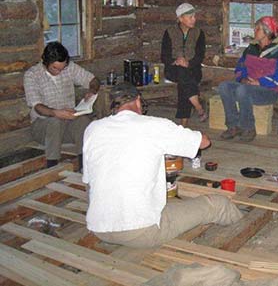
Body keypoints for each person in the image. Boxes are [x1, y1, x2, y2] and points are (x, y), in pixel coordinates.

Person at [82, 83, 243, 248]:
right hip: (140, 231)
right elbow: (203, 142)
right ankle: (245, 231)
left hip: (98, 226)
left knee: (170, 203)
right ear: (138, 101)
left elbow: (88, 181)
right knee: (217, 204)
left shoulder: (93, 128)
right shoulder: (153, 125)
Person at [23, 42, 100, 168]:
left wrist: (92, 90)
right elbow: (37, 106)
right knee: (55, 122)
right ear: (45, 61)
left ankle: (84, 165)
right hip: (43, 127)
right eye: (55, 68)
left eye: (62, 68)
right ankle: (52, 166)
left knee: (83, 121)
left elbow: (93, 80)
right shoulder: (32, 75)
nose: (59, 71)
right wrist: (57, 113)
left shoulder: (69, 67)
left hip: (67, 124)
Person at [218, 16, 278, 142]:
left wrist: (260, 82)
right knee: (224, 86)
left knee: (242, 90)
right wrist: (242, 79)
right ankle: (233, 126)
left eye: (257, 29)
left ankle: (248, 127)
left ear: (267, 32)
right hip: (247, 87)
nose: (254, 31)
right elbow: (240, 67)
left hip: (269, 91)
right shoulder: (251, 49)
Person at [161, 3, 207, 127]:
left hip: (193, 69)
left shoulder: (198, 33)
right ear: (181, 18)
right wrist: (176, 61)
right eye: (190, 17)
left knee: (184, 82)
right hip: (172, 69)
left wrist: (189, 63)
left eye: (194, 17)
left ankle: (183, 124)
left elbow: (200, 55)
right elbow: (164, 55)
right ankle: (198, 107)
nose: (194, 19)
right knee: (183, 74)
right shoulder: (170, 32)